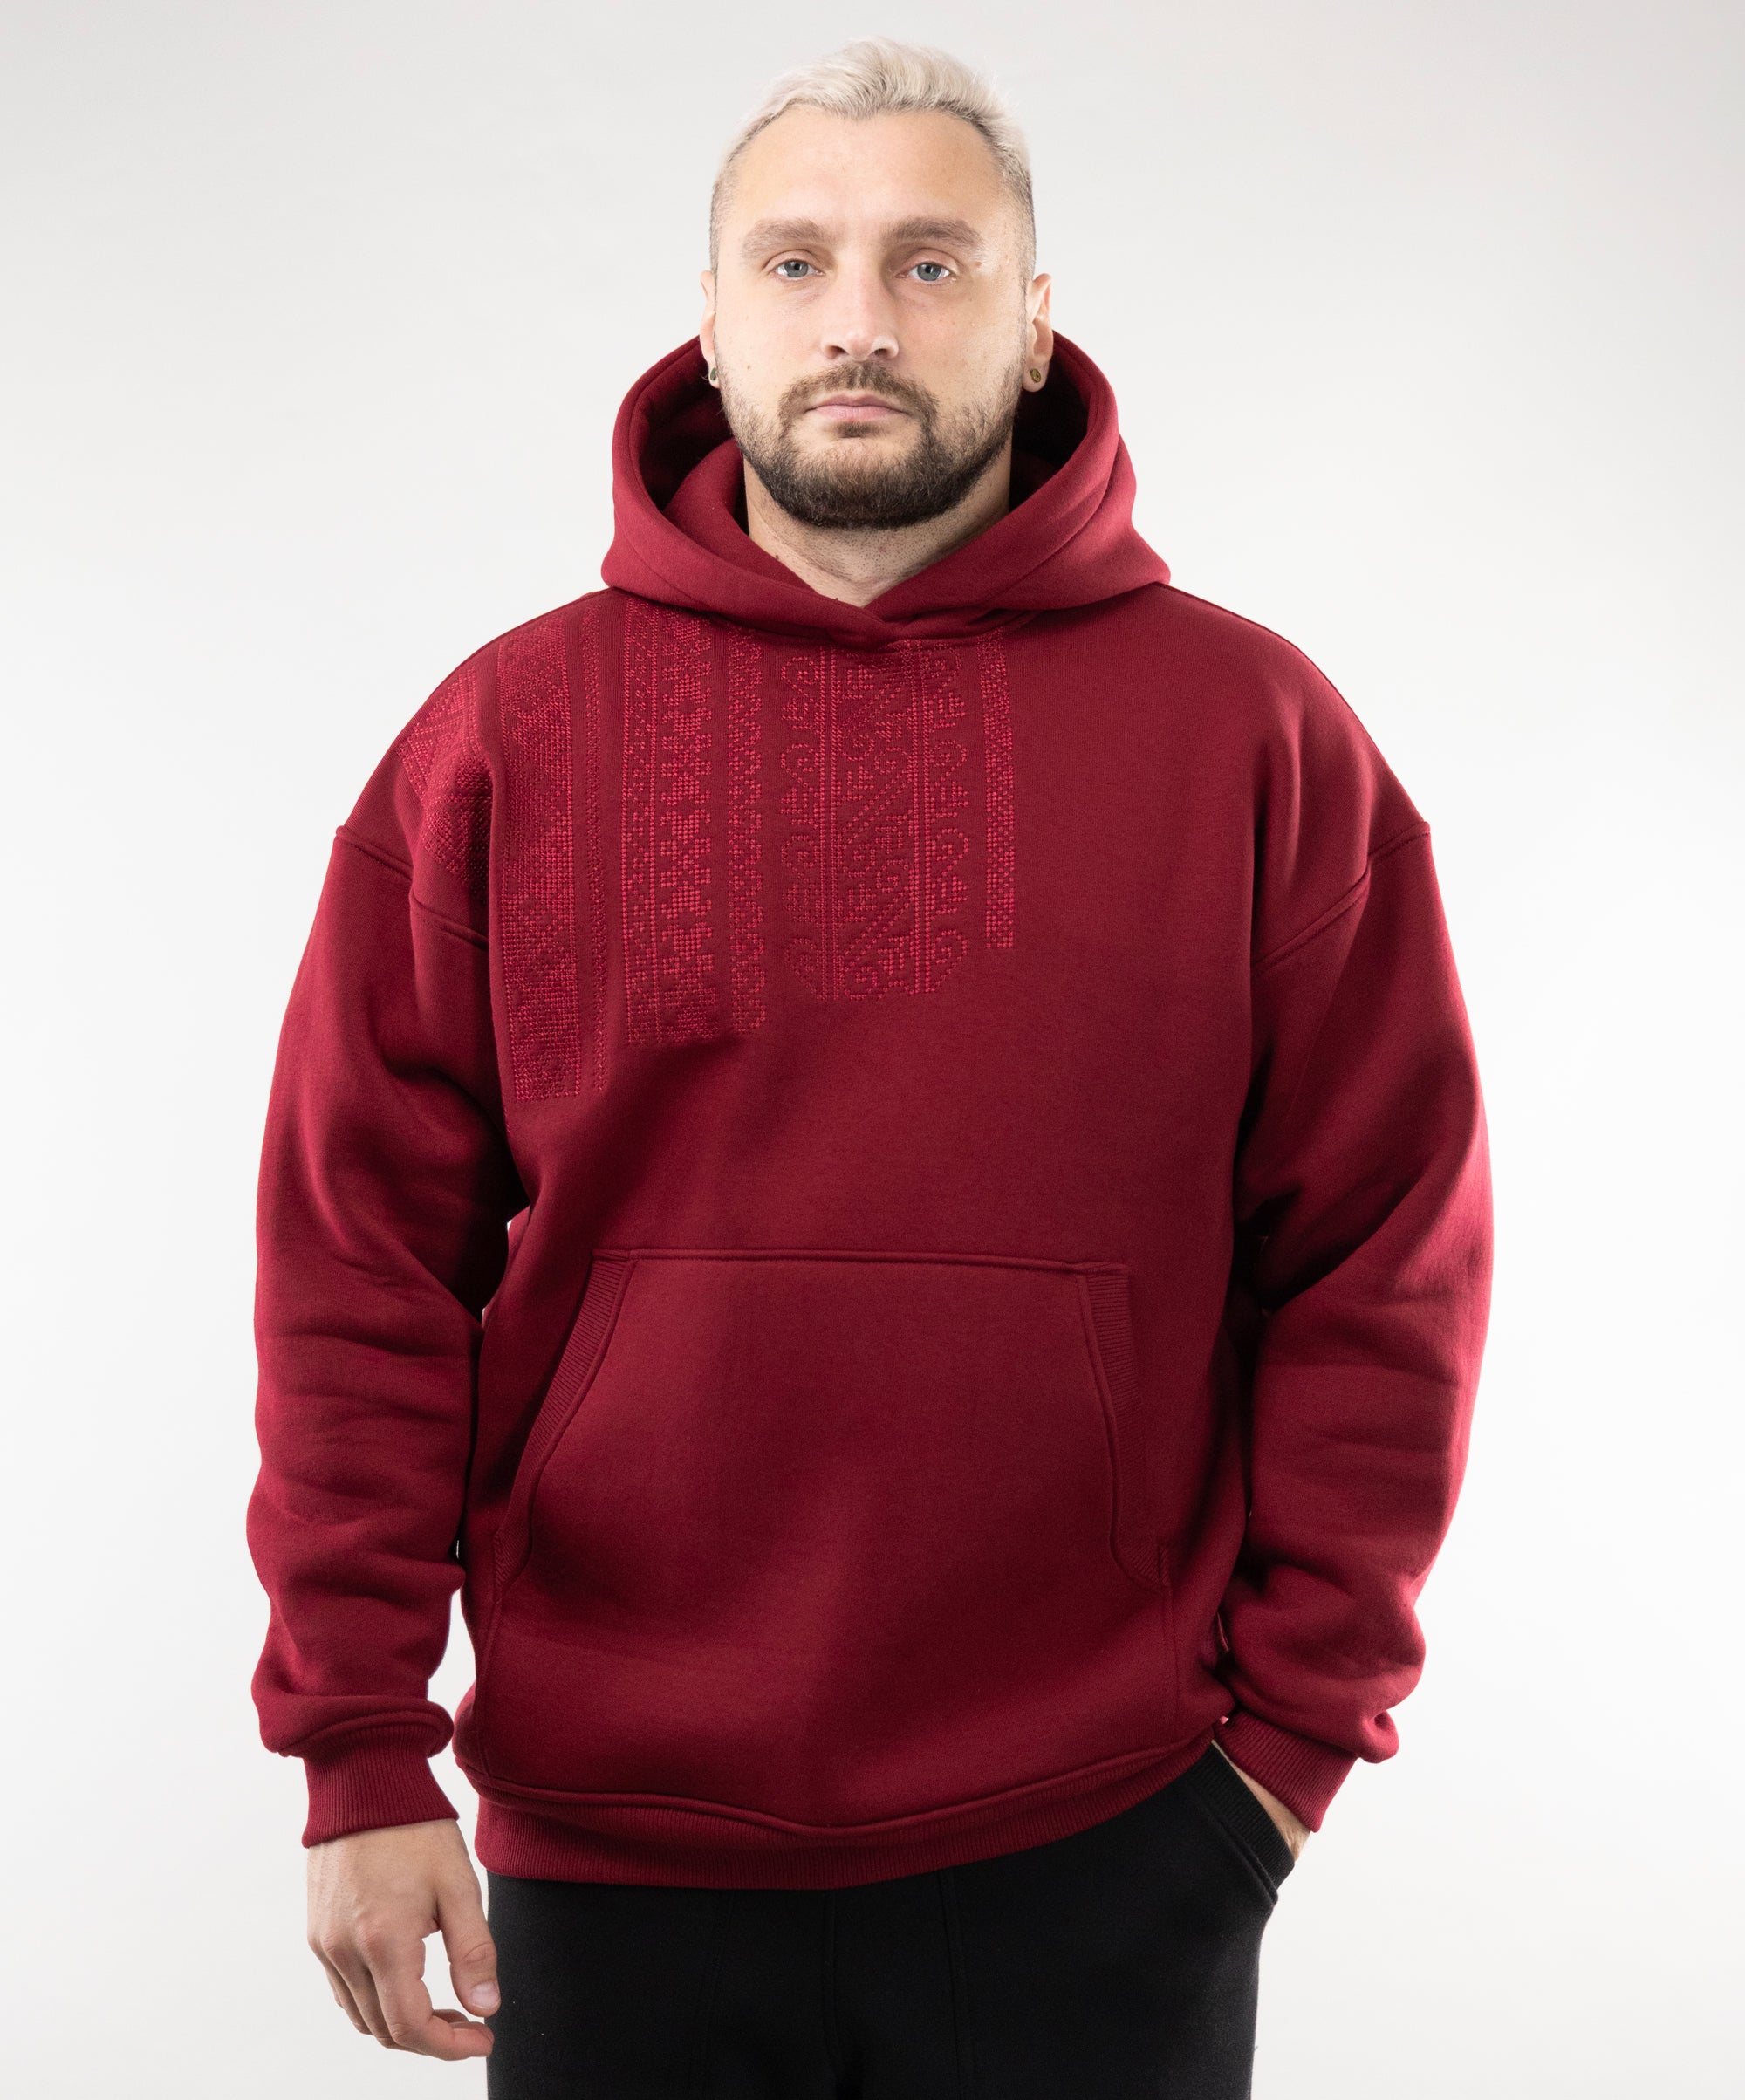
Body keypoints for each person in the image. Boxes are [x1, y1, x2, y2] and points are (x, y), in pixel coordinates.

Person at [249, 35, 1494, 2097]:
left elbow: (1387, 1259)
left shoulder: (1256, 737)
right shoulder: (504, 737)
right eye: (795, 261)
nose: (858, 319)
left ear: (1032, 323)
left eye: (931, 263)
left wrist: (1284, 1752)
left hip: (1106, 1829)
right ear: (712, 320)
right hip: (614, 1841)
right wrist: (360, 1746)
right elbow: (356, 1264)